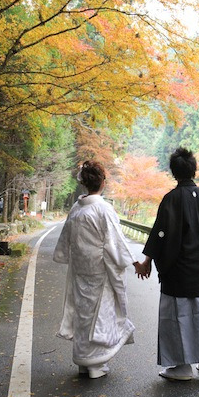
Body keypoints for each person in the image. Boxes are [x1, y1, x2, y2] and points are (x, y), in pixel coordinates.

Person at [53, 160, 145, 379]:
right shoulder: (103, 209)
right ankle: (95, 363)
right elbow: (116, 242)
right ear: (102, 182)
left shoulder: (77, 208)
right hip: (99, 270)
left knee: (83, 313)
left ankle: (84, 361)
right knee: (100, 314)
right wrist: (135, 263)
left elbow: (66, 238)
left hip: (80, 268)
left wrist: (68, 255)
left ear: (84, 183)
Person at [142, 147, 199, 381]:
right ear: (194, 170)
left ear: (173, 172)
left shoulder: (172, 198)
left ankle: (182, 367)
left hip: (178, 273)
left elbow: (161, 233)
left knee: (178, 318)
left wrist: (148, 260)